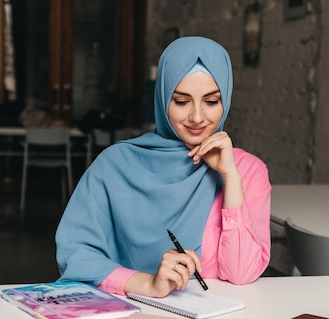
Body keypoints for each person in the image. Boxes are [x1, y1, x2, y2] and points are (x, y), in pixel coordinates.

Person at [55, 36, 271, 298]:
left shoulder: (247, 171)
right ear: (162, 98)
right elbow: (75, 254)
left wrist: (230, 177)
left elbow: (242, 273)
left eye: (211, 101)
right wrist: (147, 284)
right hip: (132, 317)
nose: (197, 117)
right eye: (181, 101)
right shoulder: (114, 166)